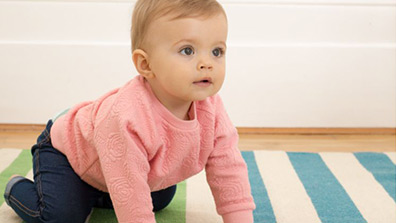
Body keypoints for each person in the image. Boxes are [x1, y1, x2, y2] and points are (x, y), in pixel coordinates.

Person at [3, 0, 256, 222]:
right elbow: (131, 193)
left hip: (116, 167)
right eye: (187, 50)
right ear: (145, 64)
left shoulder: (211, 108)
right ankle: (16, 188)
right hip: (67, 154)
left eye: (217, 51)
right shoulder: (128, 117)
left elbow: (228, 166)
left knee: (160, 196)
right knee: (62, 215)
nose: (207, 63)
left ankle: (98, 192)